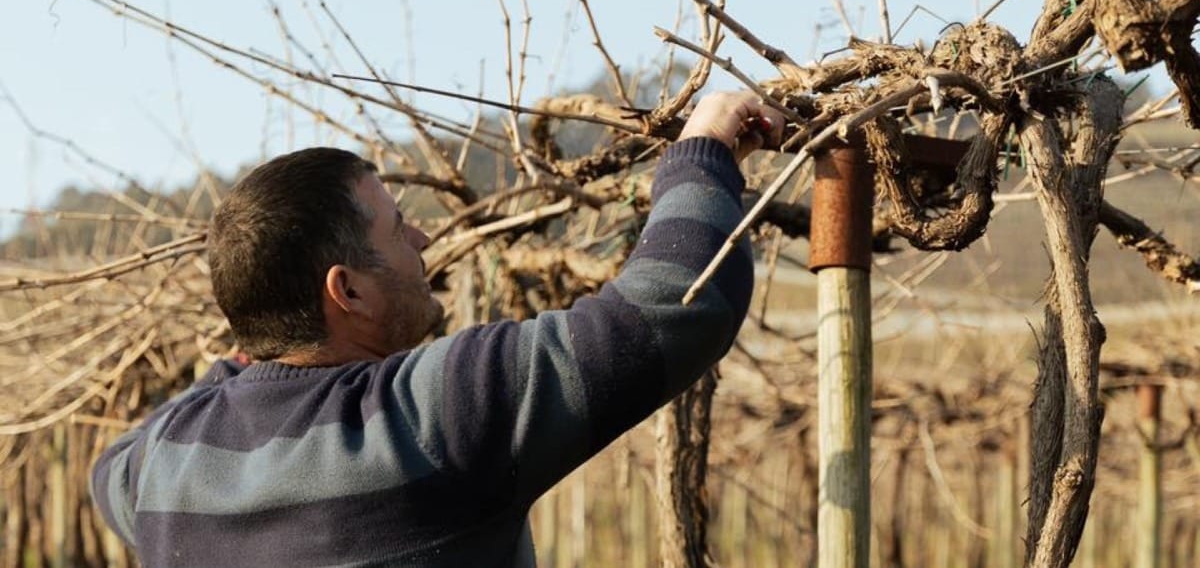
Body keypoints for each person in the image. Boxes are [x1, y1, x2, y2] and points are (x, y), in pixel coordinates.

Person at [90, 91, 784, 567]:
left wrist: (247, 351)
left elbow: (108, 468)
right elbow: (676, 304)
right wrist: (704, 151)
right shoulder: (432, 414)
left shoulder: (160, 468)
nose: (423, 237)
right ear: (348, 289)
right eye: (397, 230)